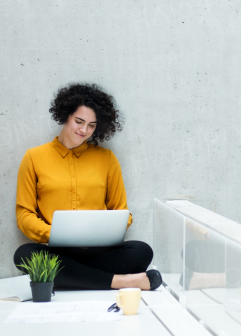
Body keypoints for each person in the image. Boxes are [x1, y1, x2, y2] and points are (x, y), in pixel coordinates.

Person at [12, 83, 161, 290]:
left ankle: (70, 276)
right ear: (65, 116)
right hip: (57, 250)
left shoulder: (107, 158)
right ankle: (119, 281)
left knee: (142, 251)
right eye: (79, 121)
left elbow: (122, 212)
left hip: (99, 251)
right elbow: (24, 215)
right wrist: (53, 233)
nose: (84, 130)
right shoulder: (34, 158)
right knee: (24, 255)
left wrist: (108, 231)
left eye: (91, 125)